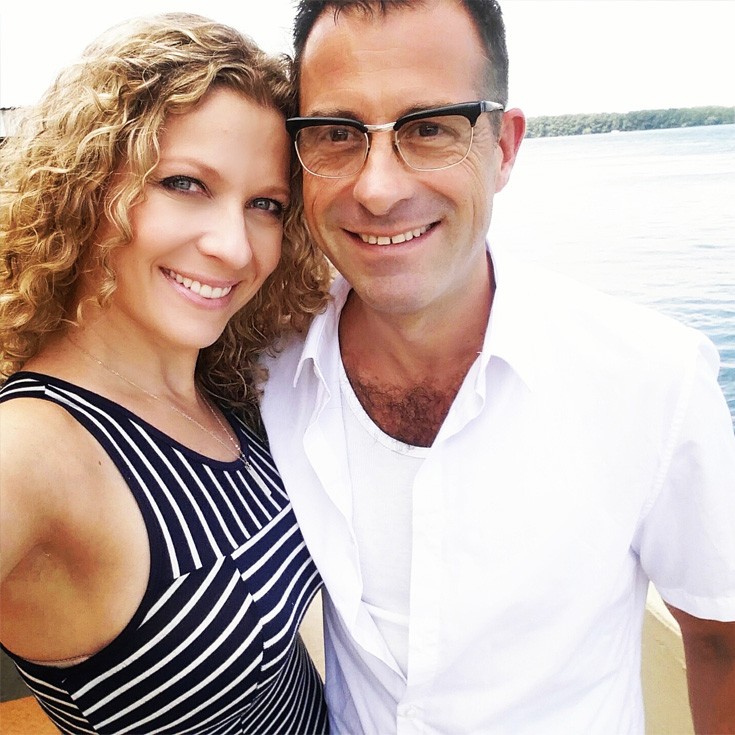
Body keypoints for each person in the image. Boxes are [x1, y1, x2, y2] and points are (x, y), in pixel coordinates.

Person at [259, 1, 735, 733]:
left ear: (504, 147)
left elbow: (718, 638)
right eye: (335, 134)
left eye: (428, 129)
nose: (378, 189)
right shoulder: (263, 363)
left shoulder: (651, 380)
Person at [0, 13, 332, 735]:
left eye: (265, 205)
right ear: (88, 187)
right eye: (185, 183)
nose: (233, 245)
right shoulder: (30, 450)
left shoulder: (222, 383)